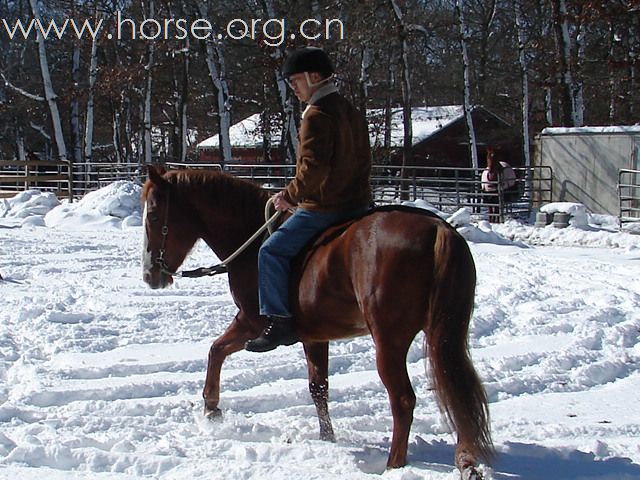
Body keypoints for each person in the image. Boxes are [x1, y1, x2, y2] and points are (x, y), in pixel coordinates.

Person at [245, 47, 372, 353]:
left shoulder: (316, 114)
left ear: (315, 77)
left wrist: (288, 195)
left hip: (326, 208)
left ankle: (281, 322)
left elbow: (313, 168)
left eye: (295, 80)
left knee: (270, 252)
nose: (294, 87)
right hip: (359, 205)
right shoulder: (349, 109)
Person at [481, 148, 518, 221]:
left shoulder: (504, 168)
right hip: (490, 186)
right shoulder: (487, 170)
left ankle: (498, 217)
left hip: (501, 182)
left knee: (498, 199)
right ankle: (491, 217)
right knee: (489, 199)